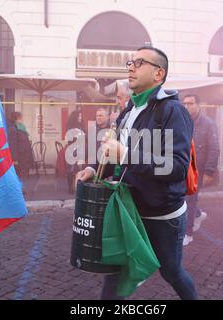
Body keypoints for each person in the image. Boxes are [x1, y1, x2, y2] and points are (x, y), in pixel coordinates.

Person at [76, 46, 197, 300]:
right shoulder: (128, 110)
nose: (130, 67)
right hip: (129, 209)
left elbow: (176, 167)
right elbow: (114, 153)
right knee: (116, 272)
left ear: (158, 73)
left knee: (172, 272)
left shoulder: (173, 111)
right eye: (130, 62)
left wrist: (126, 154)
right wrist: (92, 167)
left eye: (139, 62)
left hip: (164, 214)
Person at [182, 94, 219, 246]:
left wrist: (210, 171)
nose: (186, 106)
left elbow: (214, 148)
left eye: (190, 103)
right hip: (183, 166)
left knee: (189, 200)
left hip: (198, 169)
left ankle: (188, 233)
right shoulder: (182, 122)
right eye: (184, 104)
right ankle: (198, 215)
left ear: (199, 105)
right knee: (184, 198)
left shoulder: (208, 124)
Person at [7, 111, 34, 179]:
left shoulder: (20, 127)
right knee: (20, 175)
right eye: (21, 118)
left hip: (24, 155)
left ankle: (22, 188)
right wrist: (14, 159)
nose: (22, 119)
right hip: (20, 156)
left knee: (24, 174)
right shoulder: (13, 128)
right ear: (16, 118)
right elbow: (13, 144)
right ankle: (20, 188)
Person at [65, 110, 86, 194]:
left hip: (78, 149)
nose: (81, 118)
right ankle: (71, 187)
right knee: (71, 169)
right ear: (75, 117)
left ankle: (77, 186)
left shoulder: (80, 126)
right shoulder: (72, 127)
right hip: (73, 149)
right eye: (79, 116)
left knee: (78, 168)